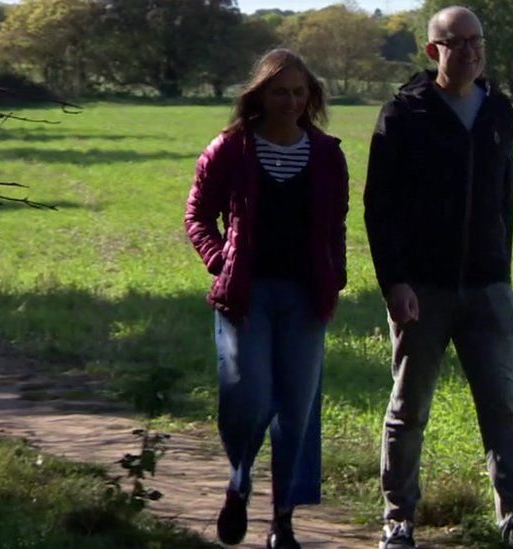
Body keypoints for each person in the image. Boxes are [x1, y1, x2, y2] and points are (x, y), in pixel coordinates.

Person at [364, 7, 513, 549]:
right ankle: (398, 520)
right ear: (433, 51)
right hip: (423, 291)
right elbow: (378, 209)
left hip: (487, 288)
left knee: (502, 410)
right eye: (458, 42)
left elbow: (505, 197)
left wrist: (500, 274)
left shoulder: (499, 111)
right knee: (408, 410)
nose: (472, 51)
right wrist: (395, 283)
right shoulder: (402, 115)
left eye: (478, 40)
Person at [185, 49, 348, 549]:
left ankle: (283, 520)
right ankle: (239, 483)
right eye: (280, 91)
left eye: (299, 92)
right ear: (259, 95)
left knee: (296, 412)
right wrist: (222, 262)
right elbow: (198, 216)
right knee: (249, 398)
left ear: (311, 97)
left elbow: (336, 226)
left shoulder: (326, 154)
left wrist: (334, 278)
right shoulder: (231, 149)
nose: (290, 101)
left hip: (305, 300)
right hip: (246, 298)